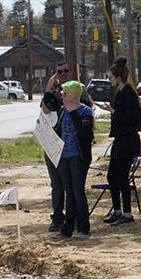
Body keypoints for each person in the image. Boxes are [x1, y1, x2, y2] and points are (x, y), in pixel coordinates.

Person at [97, 57, 141, 225]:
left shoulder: (129, 94)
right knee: (112, 176)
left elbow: (130, 118)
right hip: (119, 138)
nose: (109, 80)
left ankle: (128, 214)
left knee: (122, 177)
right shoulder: (119, 93)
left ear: (118, 77)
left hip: (128, 139)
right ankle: (117, 211)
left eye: (110, 77)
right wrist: (111, 110)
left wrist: (113, 111)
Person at [55, 80, 95, 238]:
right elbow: (59, 131)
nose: (62, 96)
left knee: (78, 191)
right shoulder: (63, 111)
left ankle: (83, 227)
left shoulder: (85, 111)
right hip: (64, 156)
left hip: (78, 156)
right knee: (69, 192)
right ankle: (67, 228)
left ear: (73, 95)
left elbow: (86, 133)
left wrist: (73, 112)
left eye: (64, 93)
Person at [41, 61, 74, 231]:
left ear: (70, 72)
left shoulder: (76, 91)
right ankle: (57, 217)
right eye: (59, 72)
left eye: (65, 71)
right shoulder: (52, 93)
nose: (62, 74)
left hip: (70, 147)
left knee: (71, 185)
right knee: (56, 183)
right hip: (52, 146)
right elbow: (44, 111)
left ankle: (72, 217)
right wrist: (49, 86)